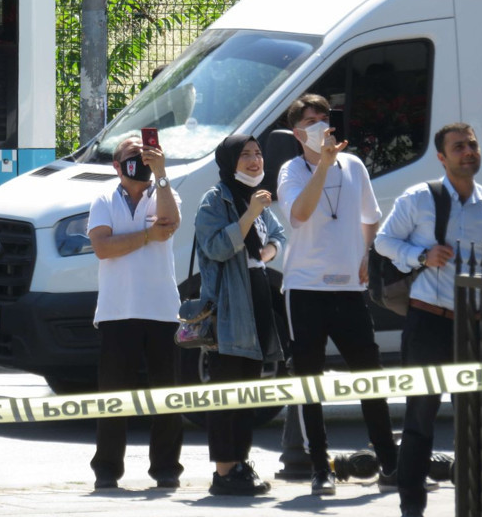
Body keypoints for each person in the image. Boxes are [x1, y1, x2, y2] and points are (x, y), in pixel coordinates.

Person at [375, 122, 482, 517]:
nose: (468, 152)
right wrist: (421, 255)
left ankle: (474, 508)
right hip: (428, 321)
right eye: (459, 147)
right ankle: (411, 509)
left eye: (472, 145)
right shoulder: (420, 198)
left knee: (475, 422)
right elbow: (383, 241)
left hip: (473, 326)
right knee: (420, 418)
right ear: (442, 157)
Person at [276, 93, 399, 496]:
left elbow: (371, 218)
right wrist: (323, 165)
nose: (322, 125)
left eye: (325, 117)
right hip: (305, 288)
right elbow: (299, 215)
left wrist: (364, 254)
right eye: (312, 120)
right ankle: (319, 466)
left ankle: (389, 459)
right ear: (298, 132)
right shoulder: (291, 170)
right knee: (309, 380)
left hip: (348, 287)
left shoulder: (354, 165)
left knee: (369, 375)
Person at [87, 135, 184, 490]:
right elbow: (102, 247)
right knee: (113, 397)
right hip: (117, 311)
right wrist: (145, 237)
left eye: (144, 156)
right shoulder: (102, 199)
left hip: (161, 311)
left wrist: (160, 173)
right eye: (132, 157)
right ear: (117, 166)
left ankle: (166, 469)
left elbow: (169, 223)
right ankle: (107, 470)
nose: (139, 162)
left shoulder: (164, 191)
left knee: (167, 396)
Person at [195, 134, 285, 496]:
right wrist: (249, 214)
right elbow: (215, 247)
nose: (254, 160)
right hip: (231, 303)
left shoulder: (258, 197)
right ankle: (223, 471)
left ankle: (241, 463)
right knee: (226, 390)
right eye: (245, 154)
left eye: (258, 154)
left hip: (258, 295)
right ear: (230, 161)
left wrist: (270, 251)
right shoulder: (216, 199)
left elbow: (277, 234)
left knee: (249, 390)